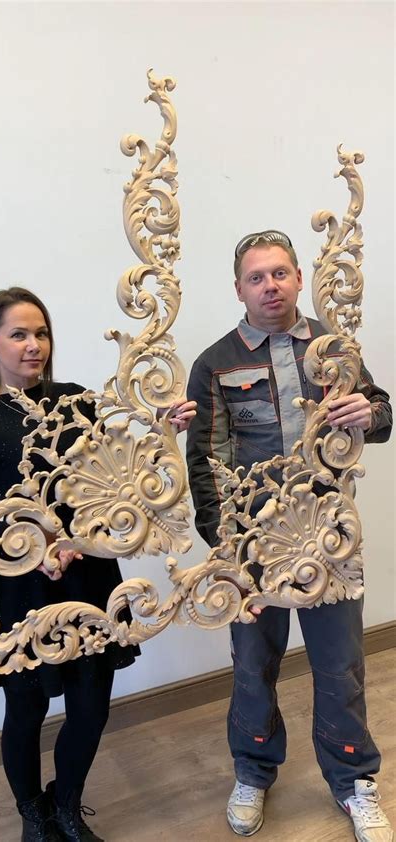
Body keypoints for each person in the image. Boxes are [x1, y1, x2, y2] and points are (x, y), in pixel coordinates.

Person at [0, 287, 196, 842]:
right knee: (25, 711)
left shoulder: (76, 403)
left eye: (41, 333)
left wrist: (161, 425)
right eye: (18, 334)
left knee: (91, 705)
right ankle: (33, 819)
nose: (34, 345)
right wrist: (35, 548)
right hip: (18, 591)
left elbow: (116, 472)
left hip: (88, 575)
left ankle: (66, 805)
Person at [186, 231, 393, 841]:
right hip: (251, 544)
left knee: (340, 666)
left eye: (280, 273)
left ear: (300, 278)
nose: (270, 286)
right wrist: (223, 547)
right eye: (257, 277)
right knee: (253, 665)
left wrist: (370, 412)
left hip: (330, 537)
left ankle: (354, 781)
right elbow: (204, 460)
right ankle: (252, 772)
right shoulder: (215, 363)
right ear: (238, 289)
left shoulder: (335, 348)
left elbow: (378, 413)